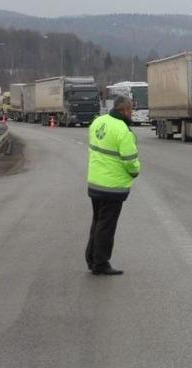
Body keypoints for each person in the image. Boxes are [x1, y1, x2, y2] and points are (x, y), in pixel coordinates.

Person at [85, 95, 141, 275]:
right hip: (112, 186)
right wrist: (135, 171)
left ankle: (92, 259)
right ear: (124, 110)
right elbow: (130, 160)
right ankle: (101, 263)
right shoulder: (123, 130)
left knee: (98, 222)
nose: (132, 113)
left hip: (95, 183)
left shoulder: (97, 122)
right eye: (131, 109)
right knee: (106, 226)